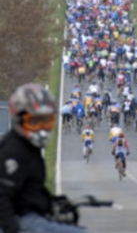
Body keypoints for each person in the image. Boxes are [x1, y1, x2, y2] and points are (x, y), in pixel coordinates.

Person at [0, 83, 90, 233]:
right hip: (23, 220)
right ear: (19, 119)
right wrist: (12, 229)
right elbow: (2, 195)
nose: (41, 129)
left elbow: (31, 191)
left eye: (45, 121)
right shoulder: (13, 151)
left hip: (34, 216)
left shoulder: (30, 147)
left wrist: (53, 202)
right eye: (34, 122)